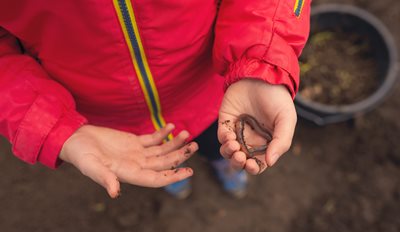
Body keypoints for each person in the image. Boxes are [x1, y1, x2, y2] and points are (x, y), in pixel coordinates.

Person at [0, 1, 310, 199]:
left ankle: (220, 164)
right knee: (160, 159)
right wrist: (51, 126)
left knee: (223, 143)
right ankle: (173, 177)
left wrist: (262, 59)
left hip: (214, 93)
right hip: (108, 124)